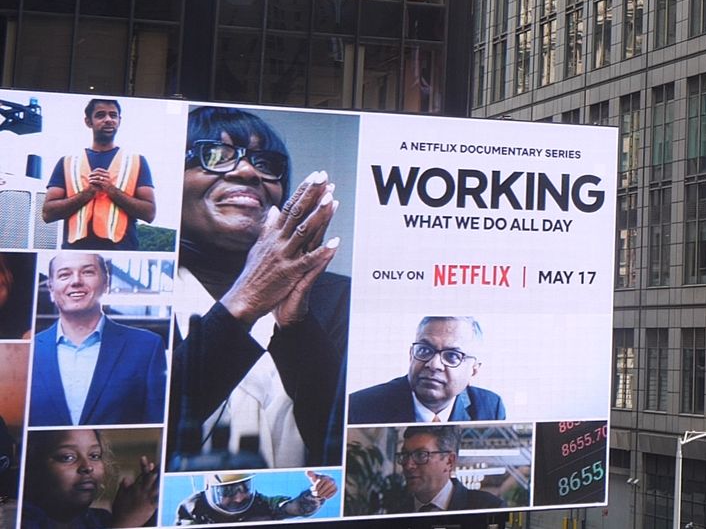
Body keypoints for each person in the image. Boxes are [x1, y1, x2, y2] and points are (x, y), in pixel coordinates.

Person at [170, 107, 348, 469]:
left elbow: (347, 442)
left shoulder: (338, 298)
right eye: (215, 155)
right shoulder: (123, 294)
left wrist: (297, 330)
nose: (248, 172)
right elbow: (143, 425)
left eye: (265, 163)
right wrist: (245, 301)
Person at [30, 253, 167, 426]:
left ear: (105, 284)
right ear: (51, 289)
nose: (76, 281)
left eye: (87, 272)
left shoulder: (147, 347)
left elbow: (156, 427)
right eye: (64, 274)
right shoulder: (28, 350)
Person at [41, 100, 157, 251]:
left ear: (119, 121)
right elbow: (48, 213)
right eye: (101, 115)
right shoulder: (68, 162)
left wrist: (111, 190)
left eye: (113, 115)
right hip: (75, 252)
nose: (108, 119)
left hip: (122, 251)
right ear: (88, 122)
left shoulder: (136, 161)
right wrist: (87, 193)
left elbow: (149, 213)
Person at [347, 316, 507, 424]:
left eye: (452, 356)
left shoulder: (490, 408)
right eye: (424, 350)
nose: (434, 364)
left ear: (473, 370)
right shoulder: (359, 407)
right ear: (411, 355)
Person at [20, 429, 158, 529]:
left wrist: (148, 512)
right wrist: (125, 523)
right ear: (32, 466)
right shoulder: (21, 520)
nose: (87, 467)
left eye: (94, 456)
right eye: (67, 457)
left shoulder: (99, 520)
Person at [379, 427, 504, 513]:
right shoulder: (394, 514)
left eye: (421, 455)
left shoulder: (489, 509)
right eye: (405, 455)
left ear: (449, 461)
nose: (408, 465)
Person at [174, 471, 335, 524]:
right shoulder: (193, 509)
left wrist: (316, 494)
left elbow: (295, 508)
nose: (239, 497)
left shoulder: (262, 503)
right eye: (227, 491)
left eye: (244, 487)